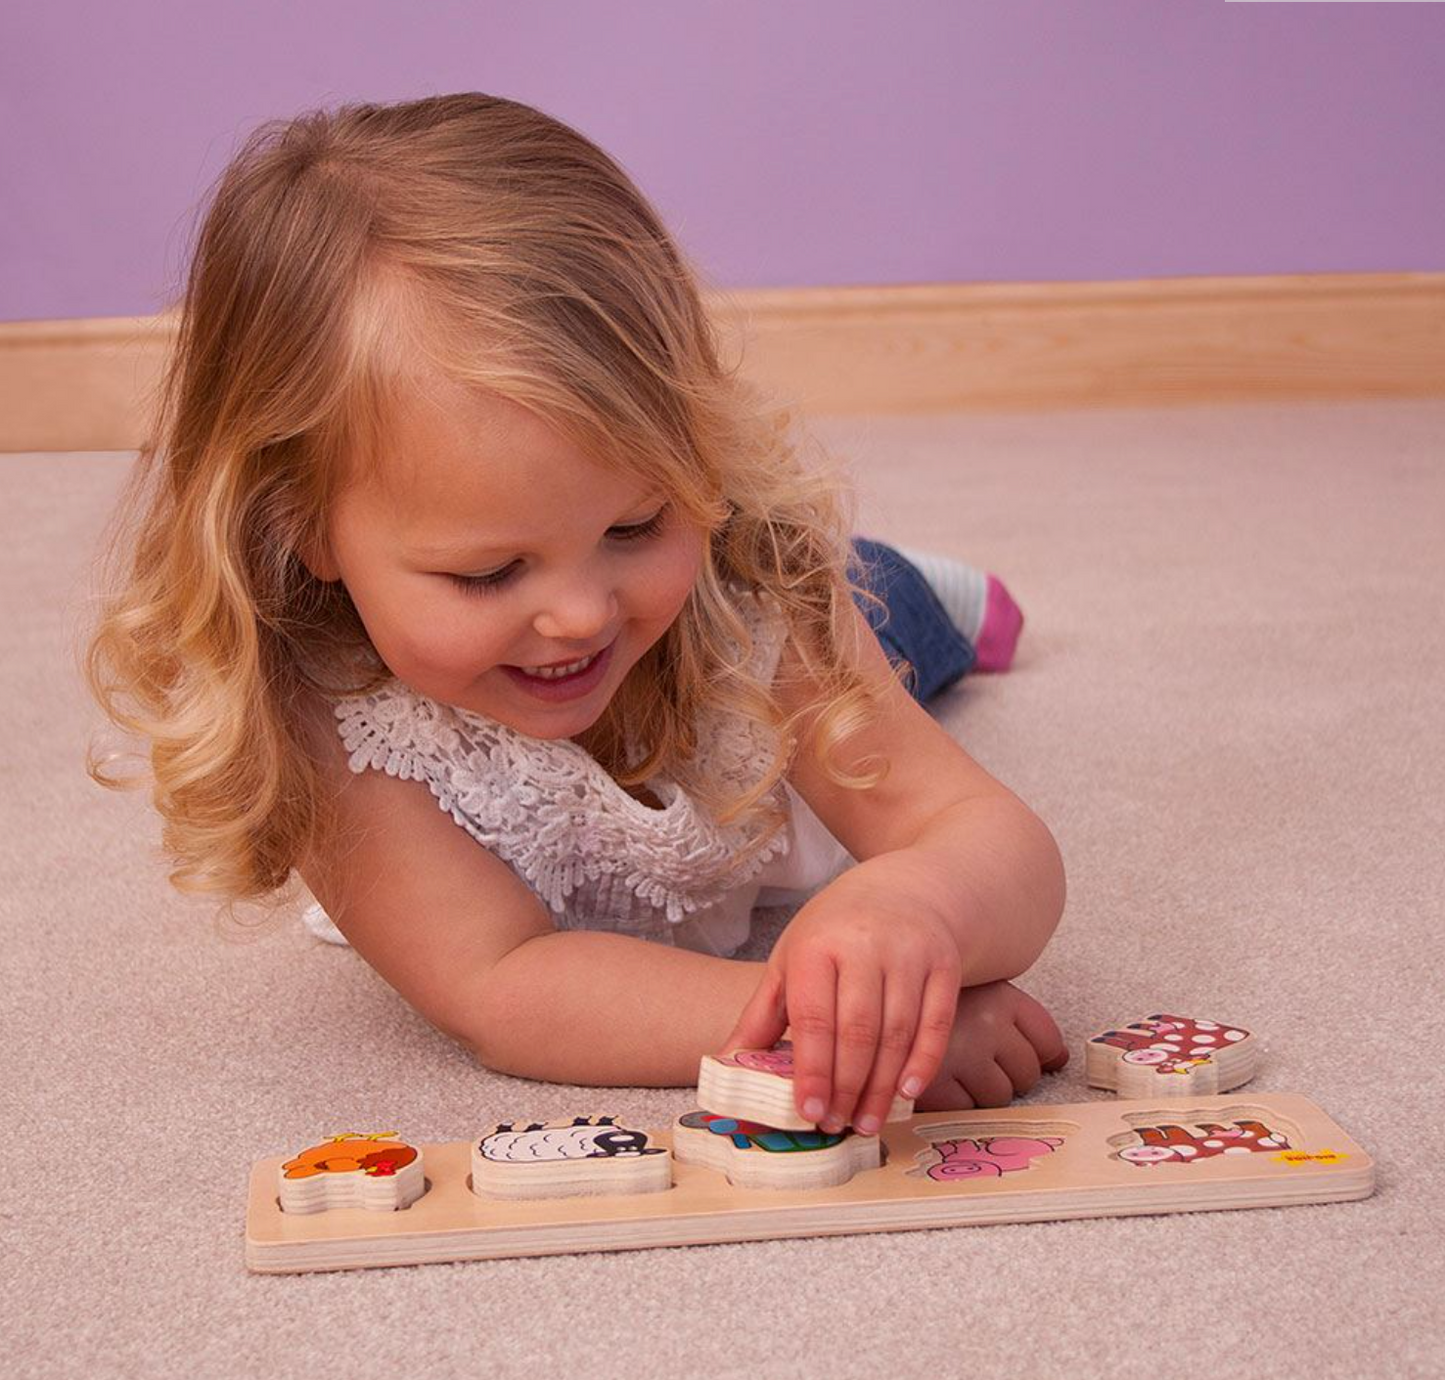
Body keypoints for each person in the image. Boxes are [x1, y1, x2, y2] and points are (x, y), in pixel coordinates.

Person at [83, 92, 1068, 1139]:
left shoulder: (749, 579)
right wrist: (825, 1033)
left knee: (881, 620)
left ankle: (913, 587)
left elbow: (977, 831)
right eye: (489, 571)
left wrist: (919, 906)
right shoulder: (323, 713)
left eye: (636, 520)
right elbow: (506, 983)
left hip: (739, 621)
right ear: (304, 529)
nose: (577, 615)